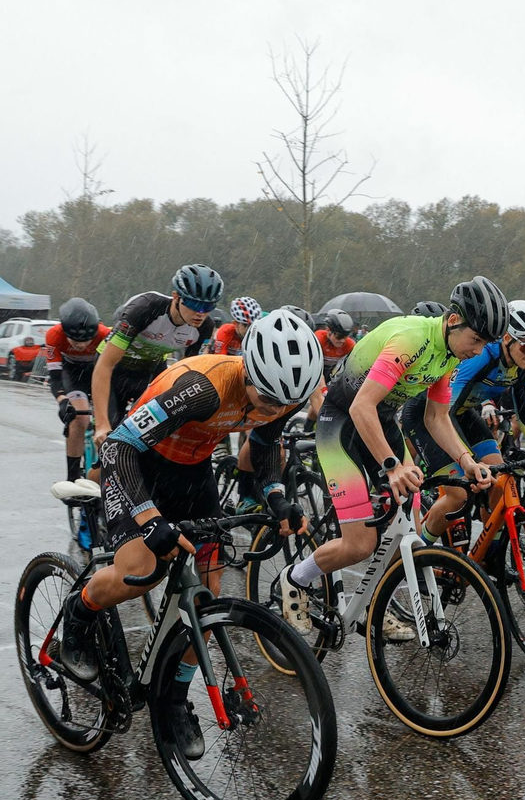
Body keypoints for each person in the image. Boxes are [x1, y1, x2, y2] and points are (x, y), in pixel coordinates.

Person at [56, 309, 322, 759]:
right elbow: (119, 447)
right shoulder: (203, 386)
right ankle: (77, 617)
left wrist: (277, 498)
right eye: (266, 399)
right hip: (137, 465)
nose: (272, 410)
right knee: (139, 571)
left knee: (205, 600)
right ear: (249, 367)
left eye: (283, 405)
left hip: (192, 468)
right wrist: (148, 518)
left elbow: (264, 444)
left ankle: (174, 701)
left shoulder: (284, 394)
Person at [276, 278, 510, 634]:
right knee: (360, 544)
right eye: (476, 340)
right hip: (342, 422)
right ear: (453, 321)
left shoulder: (448, 353)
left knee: (409, 523)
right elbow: (361, 406)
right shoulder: (411, 339)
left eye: (485, 344)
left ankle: (375, 601)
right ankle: (295, 577)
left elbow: (436, 417)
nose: (478, 351)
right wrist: (391, 466)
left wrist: (467, 461)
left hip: (381, 421)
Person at [410, 298, 525, 542]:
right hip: (430, 415)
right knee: (460, 493)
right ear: (507, 339)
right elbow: (445, 413)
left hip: (463, 414)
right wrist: (469, 460)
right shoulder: (481, 357)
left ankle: (488, 549)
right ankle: (419, 552)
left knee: (501, 479)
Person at [90, 265, 222, 448]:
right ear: (176, 297)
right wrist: (102, 424)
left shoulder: (204, 327)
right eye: (194, 304)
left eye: (208, 306)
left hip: (149, 371)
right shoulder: (145, 308)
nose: (200, 313)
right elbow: (105, 366)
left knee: (156, 440)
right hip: (114, 372)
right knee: (110, 443)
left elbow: (187, 376)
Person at [45, 298, 110, 482]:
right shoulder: (53, 335)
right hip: (71, 374)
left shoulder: (106, 334)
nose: (81, 345)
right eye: (75, 340)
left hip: (97, 371)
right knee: (79, 418)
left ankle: (106, 472)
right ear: (65, 332)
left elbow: (112, 371)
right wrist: (62, 401)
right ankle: (72, 477)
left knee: (105, 421)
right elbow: (56, 378)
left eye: (86, 340)